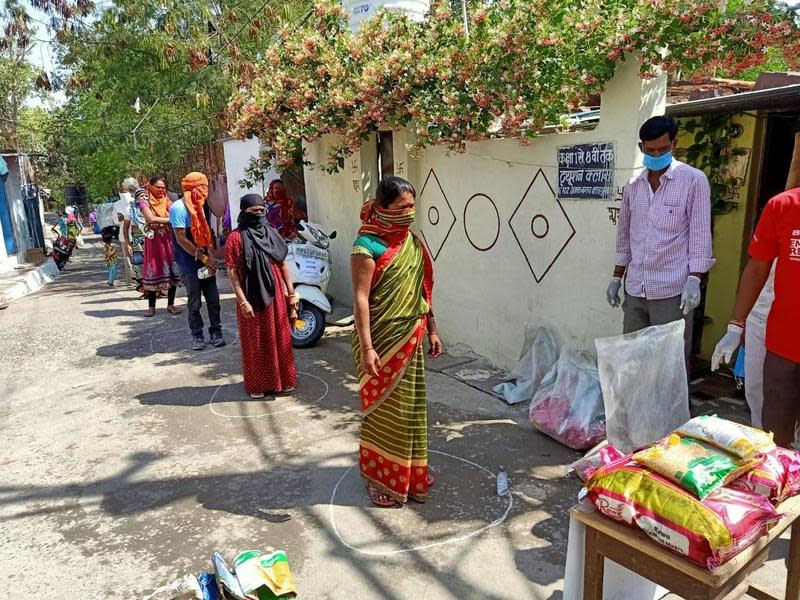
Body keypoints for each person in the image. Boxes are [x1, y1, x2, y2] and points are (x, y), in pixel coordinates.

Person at [350, 176, 443, 508]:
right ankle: (381, 478)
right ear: (382, 208)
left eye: (412, 206)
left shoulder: (412, 242)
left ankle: (411, 474)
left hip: (411, 337)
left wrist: (432, 328)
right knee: (386, 414)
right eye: (402, 207)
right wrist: (367, 348)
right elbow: (361, 300)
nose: (409, 212)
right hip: (380, 341)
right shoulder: (367, 246)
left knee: (412, 411)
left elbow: (423, 290)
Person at [607, 115, 715, 362]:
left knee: (668, 362)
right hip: (636, 287)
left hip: (671, 289)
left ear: (674, 145)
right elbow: (624, 235)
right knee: (632, 359)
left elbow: (700, 234)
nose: (657, 156)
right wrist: (616, 277)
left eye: (663, 149)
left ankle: (669, 403)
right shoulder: (633, 186)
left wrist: (694, 279)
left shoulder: (693, 180)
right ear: (641, 148)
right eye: (651, 150)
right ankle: (636, 402)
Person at [711, 186, 800, 447]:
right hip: (784, 346)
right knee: (773, 436)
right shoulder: (783, 205)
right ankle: (774, 485)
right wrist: (735, 326)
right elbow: (757, 267)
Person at [225, 194, 299, 398]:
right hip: (252, 296)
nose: (258, 214)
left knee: (280, 337)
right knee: (256, 341)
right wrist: (243, 301)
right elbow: (233, 274)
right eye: (253, 211)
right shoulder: (236, 238)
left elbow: (283, 264)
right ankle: (259, 385)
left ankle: (283, 381)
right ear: (243, 212)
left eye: (261, 210)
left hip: (276, 295)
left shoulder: (271, 233)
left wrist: (291, 294)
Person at [169, 172, 225, 351]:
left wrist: (210, 255)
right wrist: (204, 258)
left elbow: (206, 232)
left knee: (214, 300)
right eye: (203, 187)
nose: (206, 191)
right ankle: (197, 335)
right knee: (194, 302)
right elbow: (181, 239)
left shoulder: (201, 205)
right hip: (188, 261)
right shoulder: (179, 208)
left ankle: (216, 332)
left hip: (205, 259)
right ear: (193, 188)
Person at [136, 180, 182, 317]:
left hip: (168, 238)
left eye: (163, 187)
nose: (161, 190)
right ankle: (151, 307)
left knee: (173, 269)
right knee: (154, 269)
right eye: (158, 187)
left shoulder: (167, 200)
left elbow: (174, 213)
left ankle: (171, 304)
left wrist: (168, 220)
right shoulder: (145, 201)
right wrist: (170, 220)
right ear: (151, 187)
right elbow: (150, 219)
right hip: (154, 240)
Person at [119, 177, 146, 293]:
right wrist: (129, 243)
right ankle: (146, 290)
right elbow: (126, 228)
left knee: (151, 263)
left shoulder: (147, 205)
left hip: (149, 238)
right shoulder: (131, 208)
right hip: (136, 240)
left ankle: (155, 290)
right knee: (138, 264)